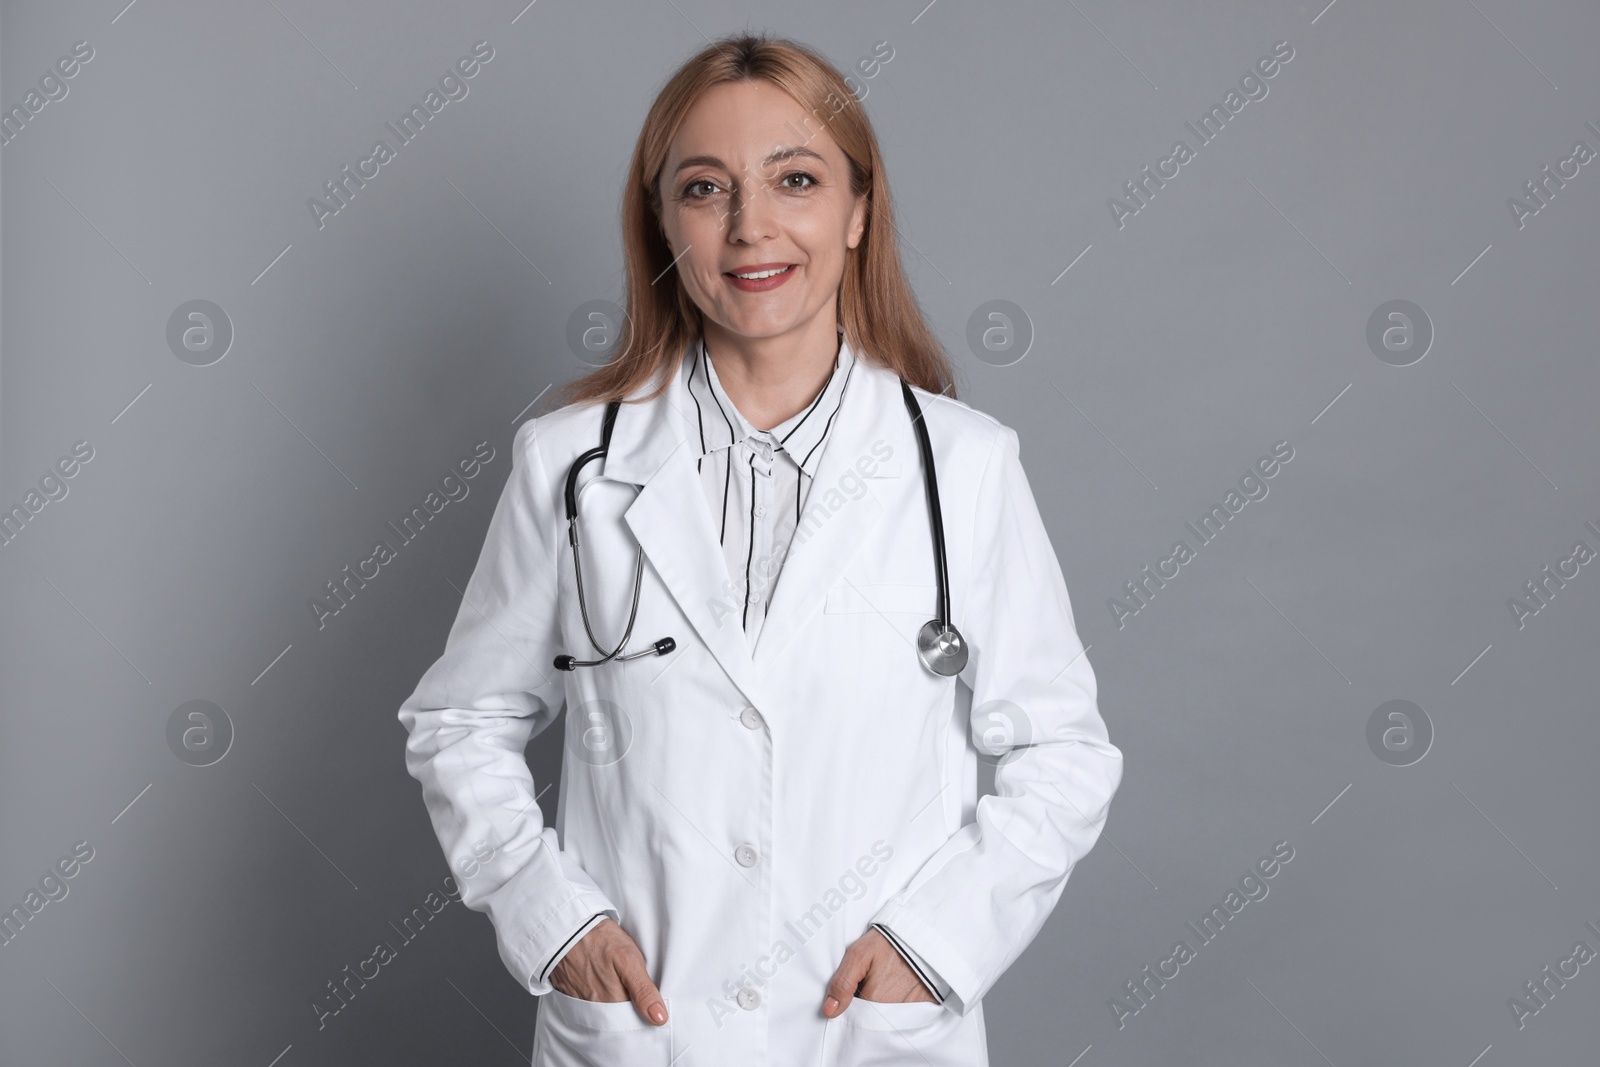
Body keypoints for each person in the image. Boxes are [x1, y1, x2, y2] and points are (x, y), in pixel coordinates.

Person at [396, 31, 1123, 1067]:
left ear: (858, 209)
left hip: (865, 1034)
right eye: (704, 188)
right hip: (651, 1030)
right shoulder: (570, 465)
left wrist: (937, 941)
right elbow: (460, 719)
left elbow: (1063, 753)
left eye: (796, 179)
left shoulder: (962, 467)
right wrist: (548, 914)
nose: (751, 227)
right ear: (659, 219)